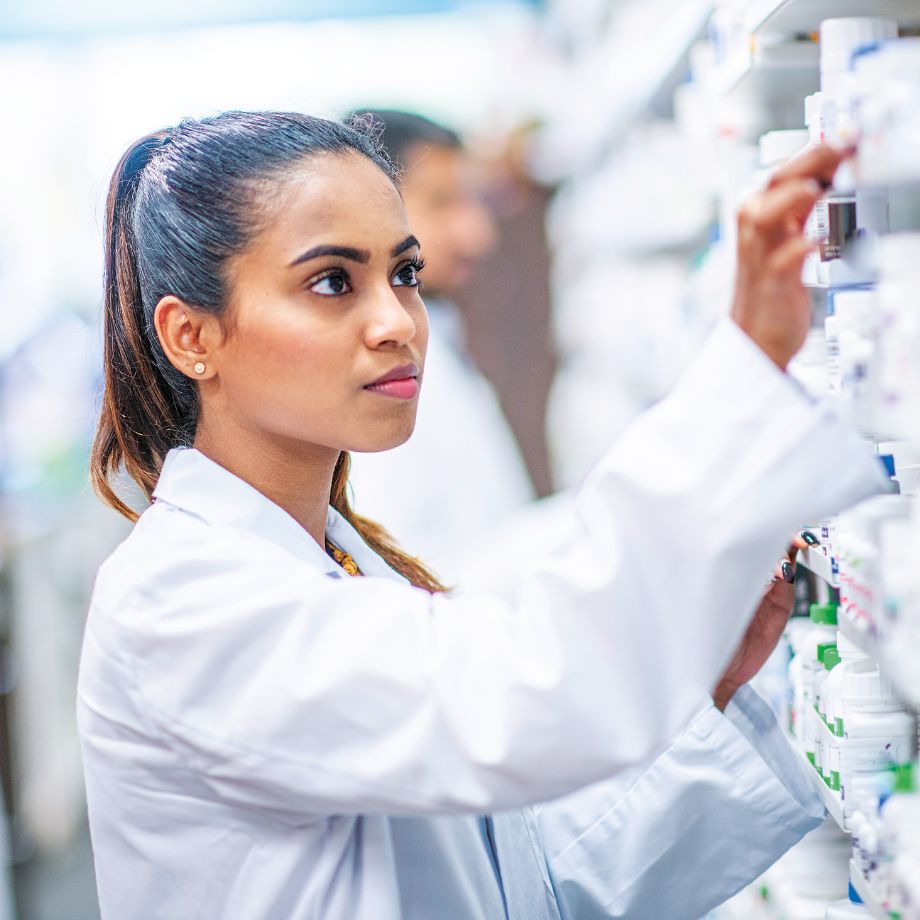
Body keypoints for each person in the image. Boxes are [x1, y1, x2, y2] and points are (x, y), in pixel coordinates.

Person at [78, 111, 883, 920]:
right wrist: (744, 364)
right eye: (332, 282)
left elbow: (512, 893)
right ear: (191, 336)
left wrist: (702, 688)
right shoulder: (182, 603)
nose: (398, 322)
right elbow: (522, 696)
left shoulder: (343, 560)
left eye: (405, 274)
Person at [345, 111, 535, 582]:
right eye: (443, 202)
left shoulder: (444, 340)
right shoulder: (370, 373)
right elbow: (410, 570)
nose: (477, 234)